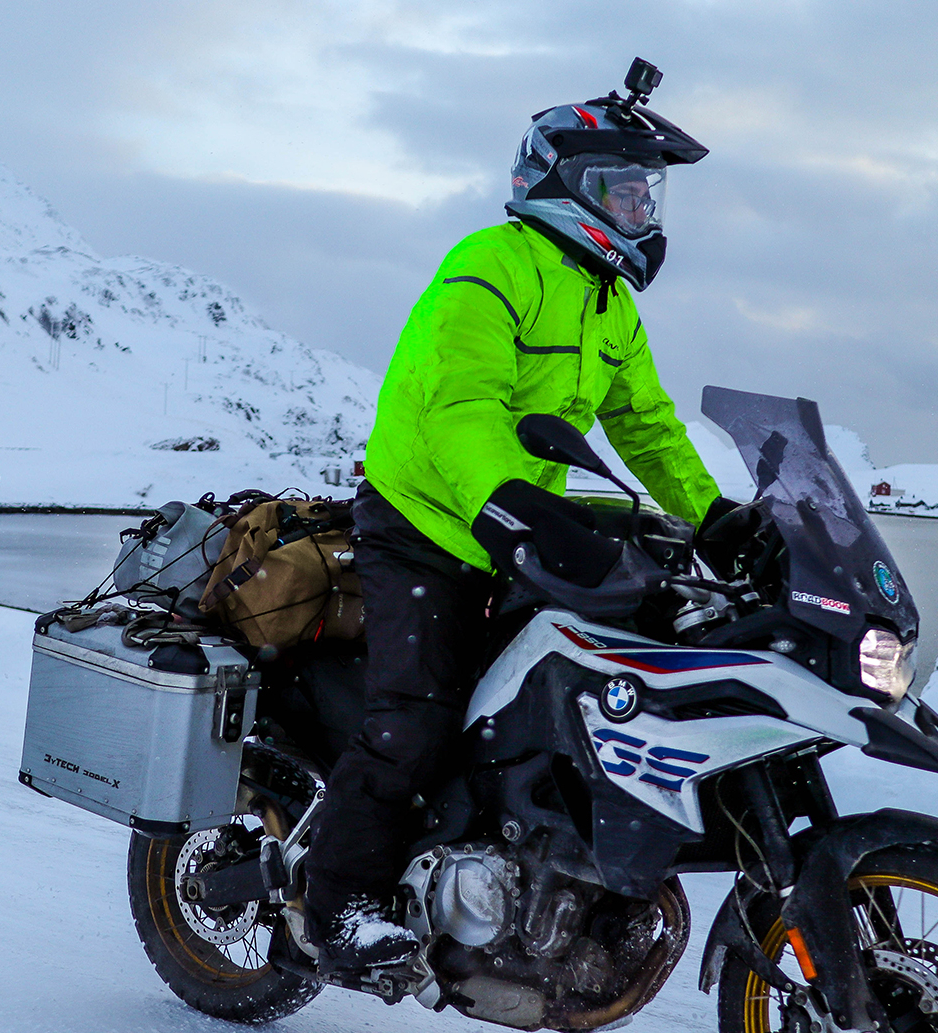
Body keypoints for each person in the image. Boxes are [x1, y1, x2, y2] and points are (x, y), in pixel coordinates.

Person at [303, 69, 733, 969]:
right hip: (427, 519)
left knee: (561, 701)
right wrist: (504, 501)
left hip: (514, 525)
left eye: (647, 193)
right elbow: (460, 409)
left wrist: (719, 518)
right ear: (569, 184)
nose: (643, 209)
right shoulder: (485, 267)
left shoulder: (607, 301)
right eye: (627, 189)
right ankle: (334, 908)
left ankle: (521, 868)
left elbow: (646, 425)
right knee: (415, 719)